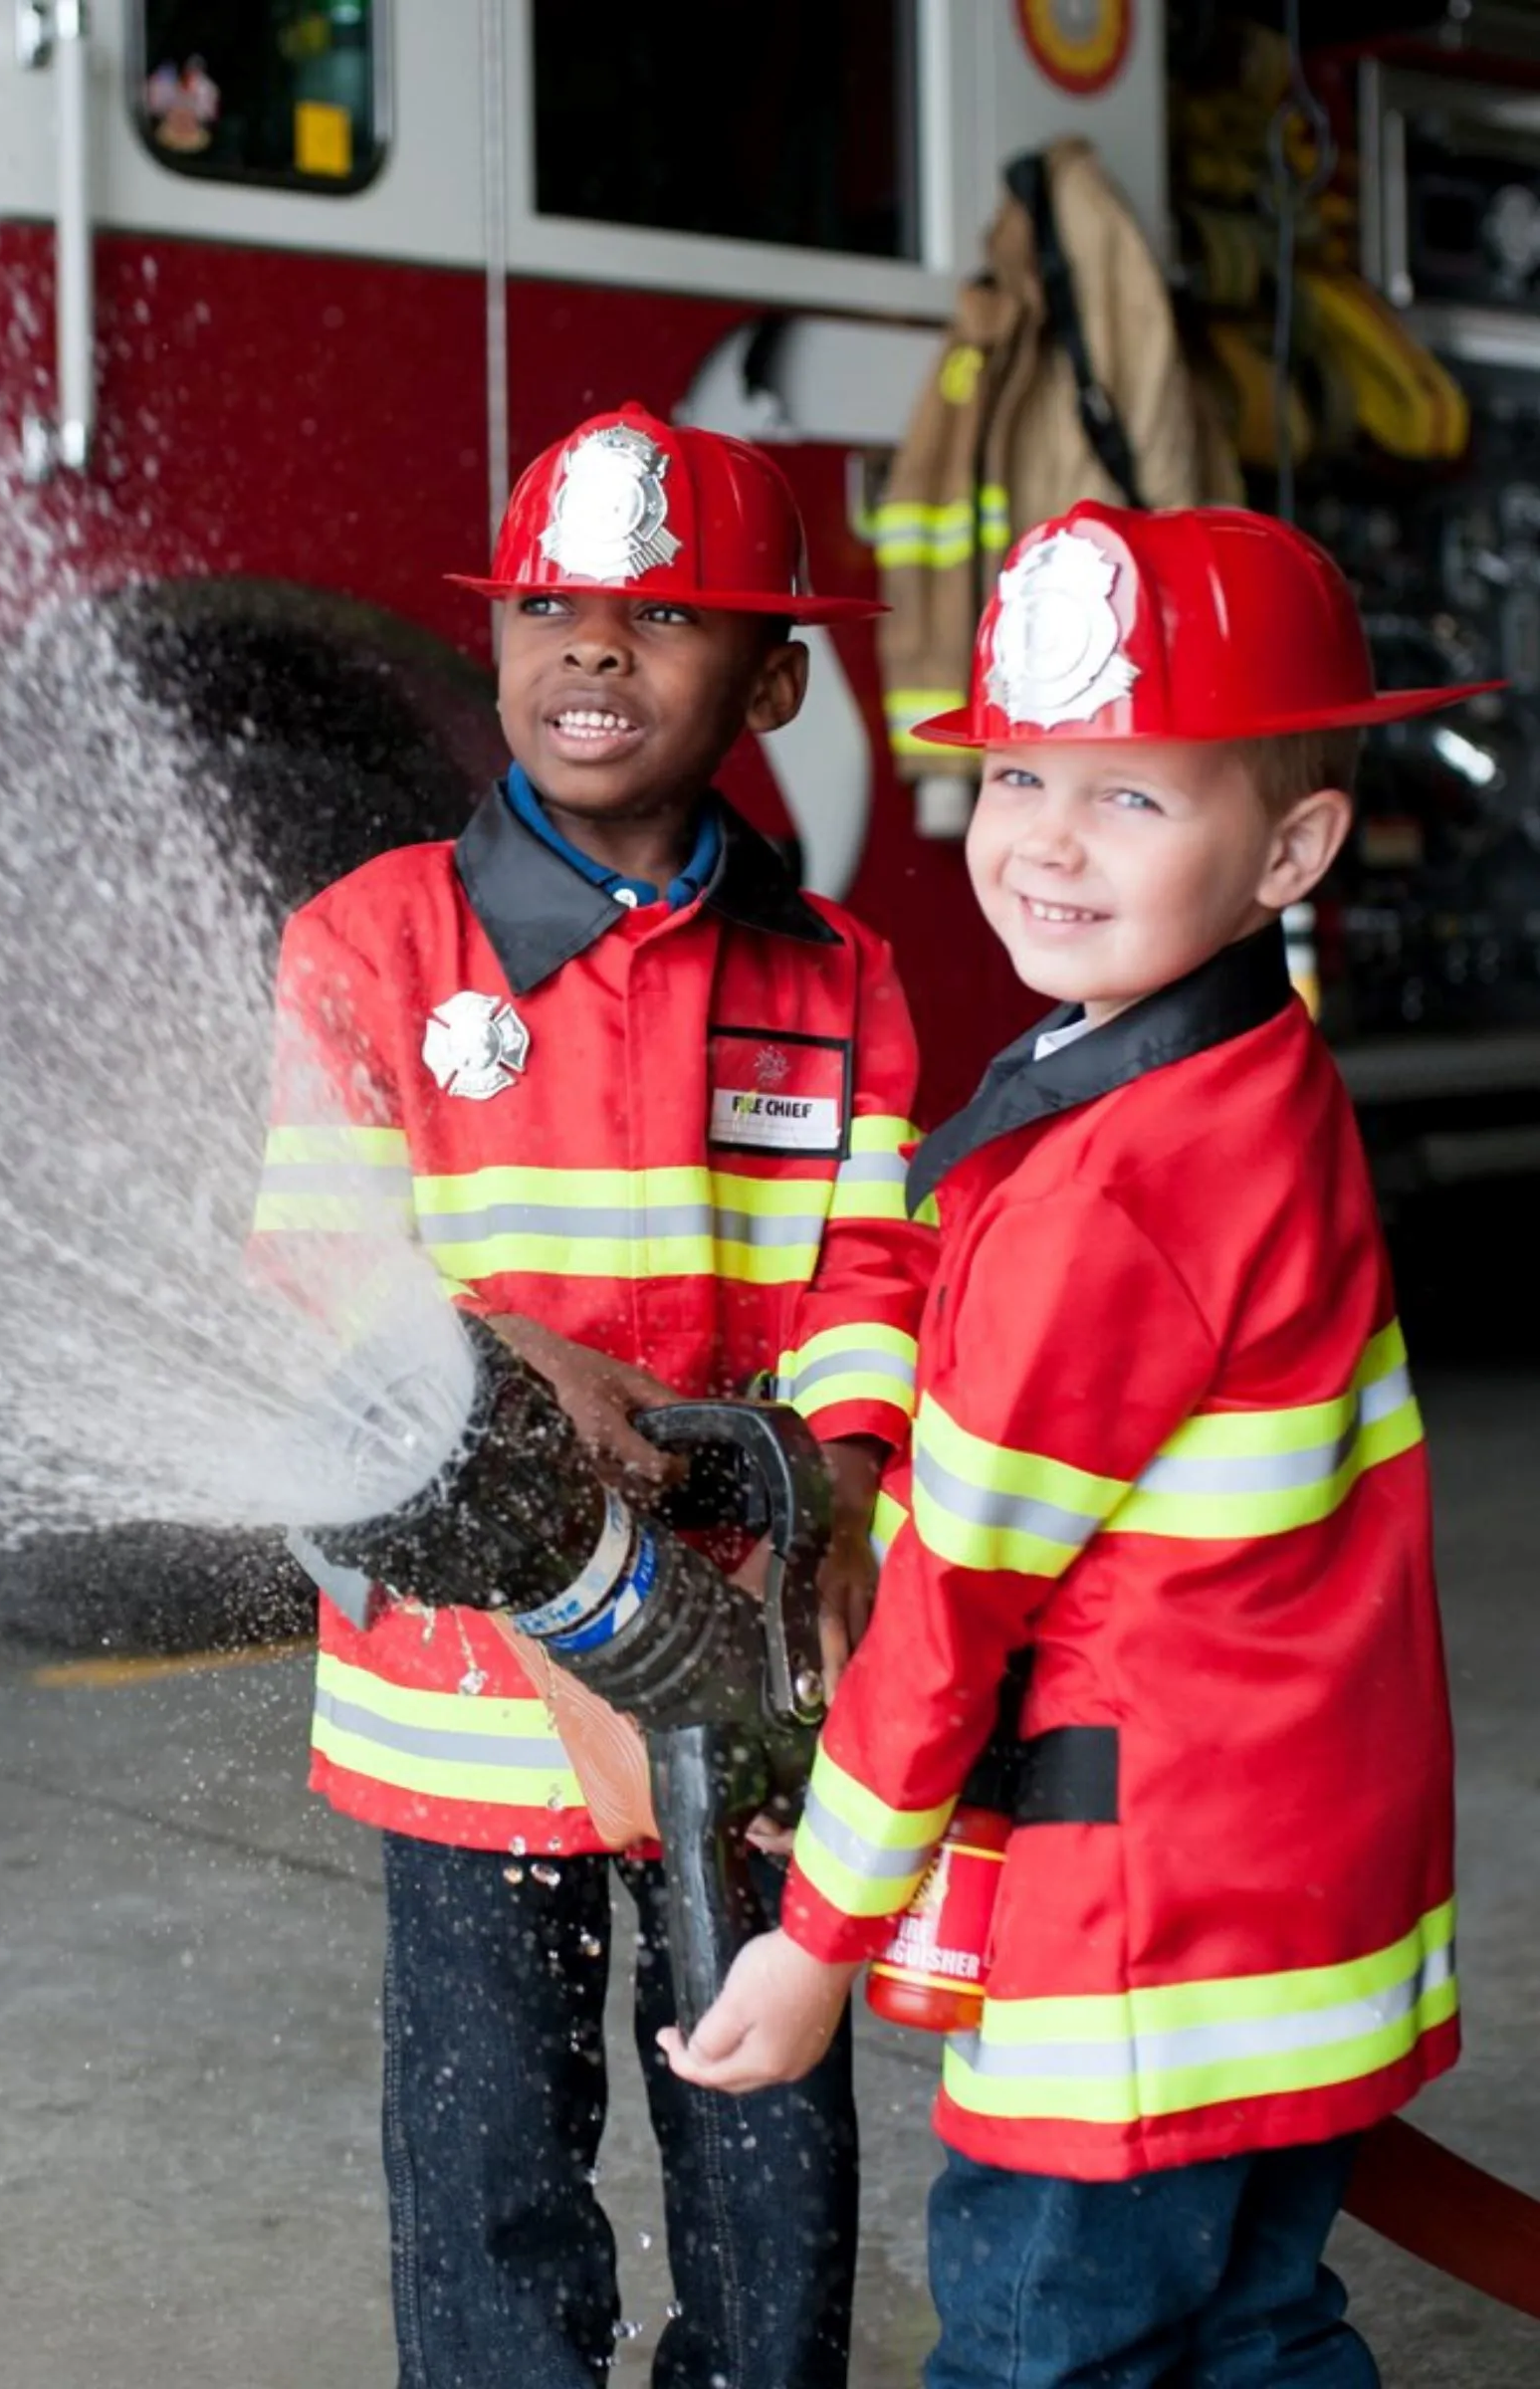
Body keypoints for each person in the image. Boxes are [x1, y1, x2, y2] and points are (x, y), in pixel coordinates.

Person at [661, 501, 1480, 2388]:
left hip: (1143, 1944)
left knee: (1050, 2351)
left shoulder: (1114, 1190)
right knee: (1259, 2330)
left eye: (1129, 797)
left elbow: (956, 1600)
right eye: (1021, 769)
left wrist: (816, 1939)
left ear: (1293, 847)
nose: (1041, 836)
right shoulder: (1247, 1078)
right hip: (1302, 1898)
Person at [251, 400, 935, 2389]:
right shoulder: (367, 948)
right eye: (547, 603)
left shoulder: (836, 978)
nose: (590, 651)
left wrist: (840, 1507)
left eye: (661, 616)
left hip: (733, 1679)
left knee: (765, 2129)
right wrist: (494, 1355)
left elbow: (866, 1282)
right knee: (486, 2169)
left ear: (778, 675)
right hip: (461, 1713)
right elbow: (309, 1272)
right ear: (495, 641)